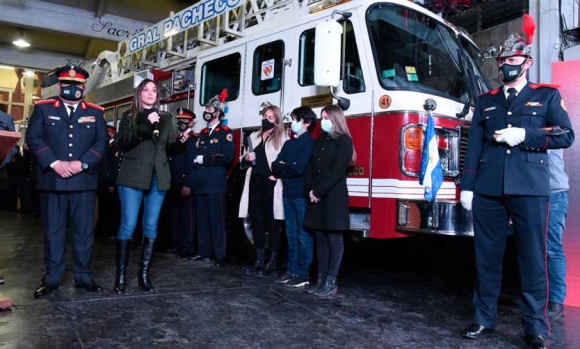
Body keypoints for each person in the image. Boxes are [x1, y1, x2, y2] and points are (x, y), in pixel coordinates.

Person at [459, 29, 574, 349]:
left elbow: (566, 135)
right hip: (489, 190)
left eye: (512, 60)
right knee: (486, 258)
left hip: (531, 189)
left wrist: (527, 135)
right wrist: (467, 188)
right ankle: (483, 318)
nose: (506, 65)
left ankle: (535, 328)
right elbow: (474, 148)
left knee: (533, 260)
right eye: (502, 61)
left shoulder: (547, 96)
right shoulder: (485, 102)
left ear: (527, 62)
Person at [26, 65, 108, 298]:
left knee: (84, 232)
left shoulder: (95, 112)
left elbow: (102, 142)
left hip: (84, 181)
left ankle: (83, 277)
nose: (73, 88)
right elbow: (33, 137)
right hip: (53, 180)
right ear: (60, 85)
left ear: (84, 87)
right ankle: (51, 279)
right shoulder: (43, 110)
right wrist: (54, 163)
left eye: (78, 85)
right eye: (68, 84)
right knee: (53, 232)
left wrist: (81, 164)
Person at [113, 79, 175, 293]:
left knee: (151, 225)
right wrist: (146, 125)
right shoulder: (129, 116)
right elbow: (122, 143)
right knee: (128, 225)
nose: (150, 93)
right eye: (146, 90)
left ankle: (143, 275)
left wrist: (182, 141)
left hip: (158, 176)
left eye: (154, 91)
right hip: (133, 176)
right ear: (139, 94)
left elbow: (170, 146)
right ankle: (120, 277)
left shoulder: (166, 118)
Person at [304, 105, 355, 297]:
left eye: (327, 117)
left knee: (333, 238)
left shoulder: (344, 141)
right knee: (320, 237)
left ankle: (331, 280)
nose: (323, 120)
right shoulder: (319, 142)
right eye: (322, 117)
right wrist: (310, 189)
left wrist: (319, 191)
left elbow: (337, 171)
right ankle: (320, 278)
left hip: (333, 196)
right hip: (316, 195)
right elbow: (310, 167)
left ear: (336, 119)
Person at [239, 104, 287, 278]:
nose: (267, 119)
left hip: (271, 185)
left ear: (277, 119)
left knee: (272, 223)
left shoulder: (282, 136)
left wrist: (276, 175)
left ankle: (272, 262)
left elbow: (285, 160)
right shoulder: (254, 136)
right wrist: (246, 157)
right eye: (265, 116)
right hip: (254, 183)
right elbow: (242, 161)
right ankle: (258, 260)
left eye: (271, 117)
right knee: (256, 222)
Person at [271, 106, 316, 287]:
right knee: (291, 234)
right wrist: (285, 166)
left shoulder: (310, 143)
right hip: (287, 193)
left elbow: (298, 168)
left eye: (297, 120)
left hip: (300, 195)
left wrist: (284, 166)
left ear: (307, 123)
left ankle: (303, 274)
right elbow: (275, 165)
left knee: (303, 236)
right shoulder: (289, 144)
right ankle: (292, 270)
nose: (293, 123)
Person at [192, 89, 234, 267]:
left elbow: (227, 157)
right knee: (202, 219)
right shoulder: (202, 133)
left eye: (210, 110)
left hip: (215, 183)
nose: (207, 112)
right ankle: (204, 252)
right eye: (206, 109)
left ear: (218, 112)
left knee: (217, 220)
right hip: (201, 182)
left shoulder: (225, 132)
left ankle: (220, 255)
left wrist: (206, 159)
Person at [169, 107, 198, 259]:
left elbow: (192, 163)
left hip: (185, 183)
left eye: (185, 121)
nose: (182, 123)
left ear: (191, 123)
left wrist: (188, 184)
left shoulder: (194, 140)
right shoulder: (175, 140)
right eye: (180, 120)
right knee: (175, 216)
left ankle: (187, 247)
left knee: (187, 217)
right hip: (174, 182)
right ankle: (176, 245)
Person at [546, 149, 569, 320]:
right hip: (532, 193)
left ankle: (556, 302)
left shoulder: (552, 123)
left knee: (552, 249)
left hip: (553, 192)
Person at [96, 124, 120, 238]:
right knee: (103, 207)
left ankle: (111, 230)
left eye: (109, 132)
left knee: (112, 208)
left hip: (111, 181)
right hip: (102, 182)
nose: (108, 134)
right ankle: (102, 229)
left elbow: (115, 166)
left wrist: (112, 183)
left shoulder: (116, 146)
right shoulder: (103, 146)